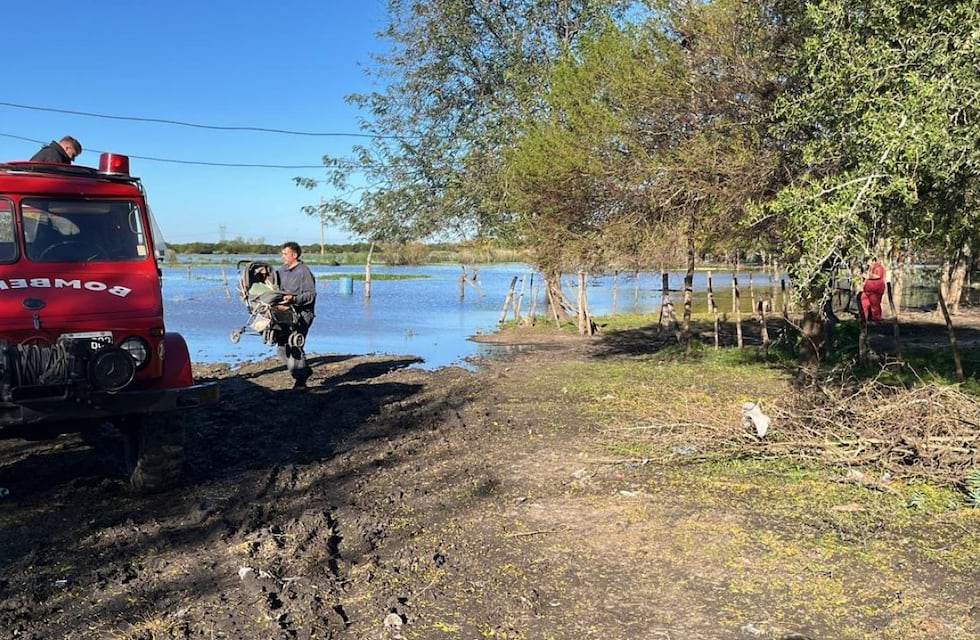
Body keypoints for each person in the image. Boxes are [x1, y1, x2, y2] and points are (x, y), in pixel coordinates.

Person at [276, 242, 316, 388]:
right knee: (281, 350)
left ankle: (300, 380)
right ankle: (303, 372)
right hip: (285, 314)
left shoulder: (303, 271)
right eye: (282, 254)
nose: (283, 257)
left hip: (302, 315)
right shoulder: (282, 270)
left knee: (294, 346)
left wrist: (294, 299)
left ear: (294, 255)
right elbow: (273, 285)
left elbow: (310, 295)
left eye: (285, 254)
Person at [860, 256, 886, 322]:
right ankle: (864, 318)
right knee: (864, 302)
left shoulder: (878, 267)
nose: (867, 262)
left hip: (875, 290)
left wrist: (867, 276)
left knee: (875, 305)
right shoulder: (870, 267)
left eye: (868, 260)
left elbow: (878, 276)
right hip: (867, 290)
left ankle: (876, 320)